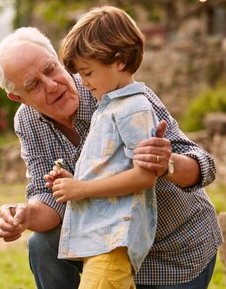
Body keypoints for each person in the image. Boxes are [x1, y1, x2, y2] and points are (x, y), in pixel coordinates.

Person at [0, 24, 221, 289]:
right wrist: (25, 215)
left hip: (172, 250)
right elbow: (50, 196)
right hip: (105, 247)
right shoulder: (28, 121)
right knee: (42, 244)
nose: (52, 85)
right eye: (34, 84)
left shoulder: (120, 91)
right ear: (18, 97)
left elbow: (203, 165)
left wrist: (166, 162)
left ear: (57, 58)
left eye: (50, 69)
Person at [47, 6, 160, 288]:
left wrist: (82, 190)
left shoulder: (134, 108)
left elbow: (145, 176)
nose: (83, 84)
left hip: (113, 241)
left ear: (119, 61)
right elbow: (110, 169)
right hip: (100, 240)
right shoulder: (109, 106)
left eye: (88, 73)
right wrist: (73, 182)